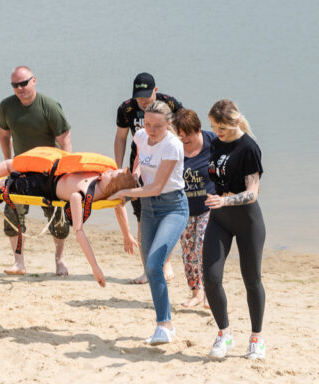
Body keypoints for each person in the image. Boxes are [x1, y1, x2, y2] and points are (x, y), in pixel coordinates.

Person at [0, 155, 138, 287]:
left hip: (41, 185)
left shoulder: (79, 195)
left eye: (111, 174)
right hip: (51, 171)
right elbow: (118, 205)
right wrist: (127, 235)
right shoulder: (104, 183)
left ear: (110, 187)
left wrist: (96, 269)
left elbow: (80, 232)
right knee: (11, 164)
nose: (107, 172)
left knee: (1, 185)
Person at [108, 100, 189, 345]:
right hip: (149, 209)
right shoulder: (141, 136)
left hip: (173, 207)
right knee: (151, 268)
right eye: (147, 123)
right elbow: (140, 161)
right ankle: (165, 325)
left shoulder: (173, 145)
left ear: (169, 124)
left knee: (155, 263)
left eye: (157, 126)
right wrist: (131, 177)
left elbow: (155, 187)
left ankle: (163, 326)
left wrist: (124, 194)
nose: (151, 130)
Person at [202, 99, 266, 360]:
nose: (218, 133)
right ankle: (224, 333)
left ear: (236, 121)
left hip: (247, 220)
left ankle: (256, 339)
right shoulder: (216, 143)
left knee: (251, 280)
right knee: (211, 276)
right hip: (220, 219)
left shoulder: (249, 148)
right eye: (214, 127)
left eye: (223, 128)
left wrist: (225, 199)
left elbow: (252, 193)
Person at [0, 66, 72, 276]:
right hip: (22, 171)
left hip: (50, 172)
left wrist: (66, 172)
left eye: (24, 83)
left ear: (34, 81)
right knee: (12, 212)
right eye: (15, 85)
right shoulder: (6, 106)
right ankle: (19, 262)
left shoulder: (49, 106)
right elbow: (4, 134)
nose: (20, 88)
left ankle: (60, 260)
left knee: (58, 218)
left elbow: (65, 140)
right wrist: (8, 162)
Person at [114, 72, 183, 284]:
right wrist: (119, 169)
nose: (142, 101)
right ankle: (147, 270)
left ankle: (167, 261)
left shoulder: (170, 104)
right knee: (142, 218)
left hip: (166, 166)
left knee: (168, 218)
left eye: (146, 96)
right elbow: (120, 137)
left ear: (156, 90)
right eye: (138, 97)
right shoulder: (126, 108)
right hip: (140, 166)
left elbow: (183, 133)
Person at [175, 108, 216, 308]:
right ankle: (196, 293)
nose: (185, 140)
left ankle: (209, 293)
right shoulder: (176, 147)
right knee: (188, 251)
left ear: (198, 129)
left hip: (208, 207)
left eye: (188, 135)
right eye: (180, 137)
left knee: (202, 248)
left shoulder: (213, 142)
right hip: (184, 209)